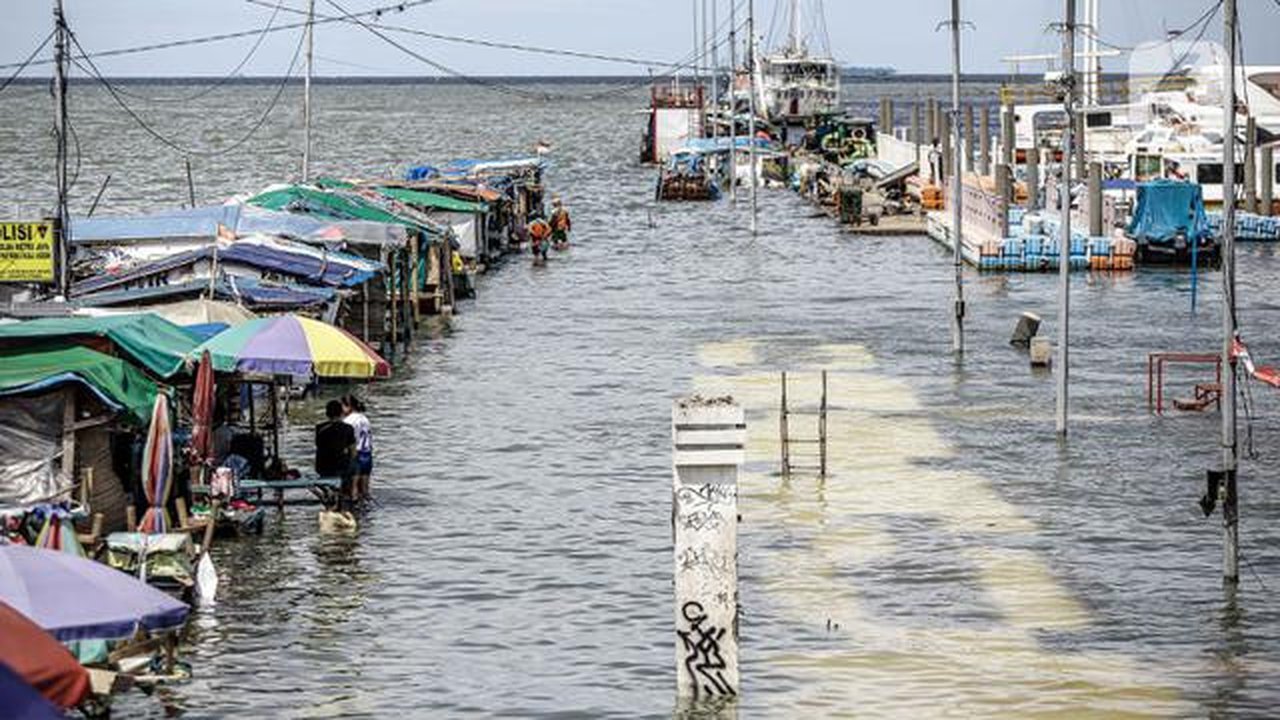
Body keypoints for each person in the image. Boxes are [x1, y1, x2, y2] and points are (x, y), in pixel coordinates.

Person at [315, 400, 356, 504]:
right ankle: (352, 496)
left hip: (322, 467)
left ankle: (331, 495)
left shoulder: (319, 428)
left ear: (327, 413)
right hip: (341, 468)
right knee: (354, 466)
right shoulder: (348, 428)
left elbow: (319, 446)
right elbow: (353, 451)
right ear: (341, 413)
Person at [342, 394, 374, 502]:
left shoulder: (348, 421)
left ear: (349, 406)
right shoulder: (365, 419)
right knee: (365, 491)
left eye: (342, 406)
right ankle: (367, 514)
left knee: (353, 489)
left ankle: (354, 512)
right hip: (367, 455)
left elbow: (348, 442)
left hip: (356, 455)